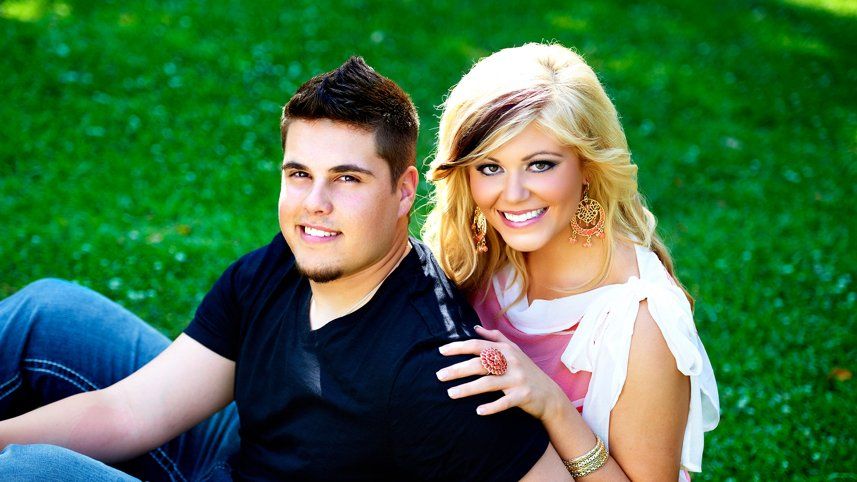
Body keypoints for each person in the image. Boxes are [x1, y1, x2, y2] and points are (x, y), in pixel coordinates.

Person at [0, 57, 574, 480]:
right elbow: (129, 413)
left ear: (403, 192)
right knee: (46, 312)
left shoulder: (436, 373)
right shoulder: (284, 264)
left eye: (347, 178)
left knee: (34, 472)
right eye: (299, 174)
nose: (313, 204)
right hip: (239, 459)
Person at [423, 43, 720, 480]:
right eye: (489, 167)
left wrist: (552, 405)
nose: (514, 194)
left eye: (540, 165)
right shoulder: (478, 259)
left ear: (587, 167)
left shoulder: (641, 322)